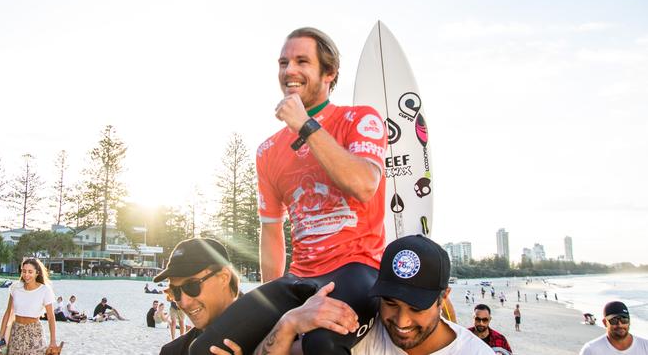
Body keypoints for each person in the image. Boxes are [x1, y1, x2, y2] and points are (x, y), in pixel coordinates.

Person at [190, 26, 389, 355]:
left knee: (321, 343)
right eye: (283, 63)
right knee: (206, 349)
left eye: (301, 61)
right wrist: (268, 305)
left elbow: (364, 184)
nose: (289, 71)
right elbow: (271, 230)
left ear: (329, 73)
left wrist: (305, 125)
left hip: (357, 269)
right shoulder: (268, 150)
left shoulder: (359, 119)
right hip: (298, 277)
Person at [236, 235, 495, 355]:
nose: (401, 321)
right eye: (390, 302)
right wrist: (289, 322)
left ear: (444, 297)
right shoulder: (362, 331)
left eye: (417, 308)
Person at [153, 238, 242, 355]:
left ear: (223, 278)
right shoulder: (173, 351)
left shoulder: (269, 332)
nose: (184, 303)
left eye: (191, 286)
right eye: (175, 291)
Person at [0, 258, 62, 354]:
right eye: (24, 271)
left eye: (30, 272)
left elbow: (51, 317)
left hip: (35, 332)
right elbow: (8, 312)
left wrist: (53, 340)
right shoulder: (15, 288)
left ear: (37, 273)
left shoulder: (45, 290)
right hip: (16, 332)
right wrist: (1, 336)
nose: (26, 275)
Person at [579, 301, 648, 354]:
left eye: (624, 319)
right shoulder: (591, 350)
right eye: (614, 320)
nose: (620, 325)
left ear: (629, 321)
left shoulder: (645, 347)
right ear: (605, 322)